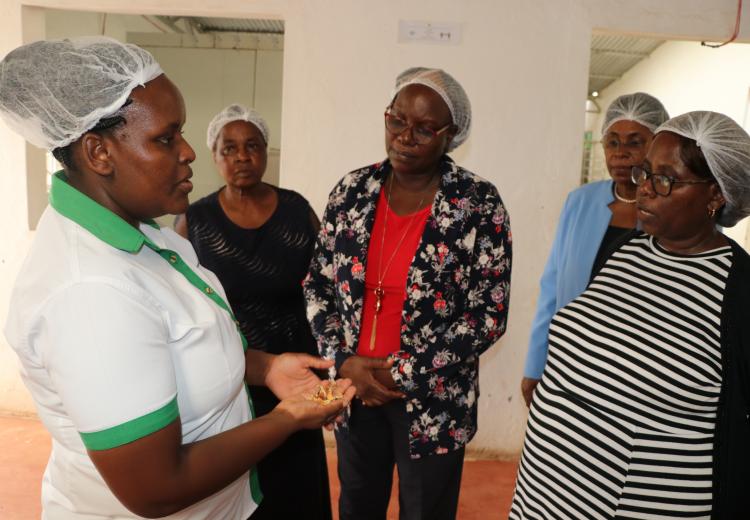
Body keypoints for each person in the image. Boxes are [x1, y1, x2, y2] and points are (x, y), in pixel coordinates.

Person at [0, 36, 354, 520]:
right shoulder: (90, 294)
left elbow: (185, 345)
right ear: (98, 152)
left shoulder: (148, 235)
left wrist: (266, 368)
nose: (188, 152)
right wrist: (289, 417)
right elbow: (156, 488)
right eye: (166, 139)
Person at [510, 111, 750, 518]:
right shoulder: (630, 252)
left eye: (666, 180)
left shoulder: (738, 292)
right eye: (646, 173)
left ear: (715, 195)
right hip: (545, 495)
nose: (645, 190)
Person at [303, 67, 512, 520]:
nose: (404, 136)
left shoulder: (477, 203)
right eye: (396, 119)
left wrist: (406, 370)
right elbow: (318, 283)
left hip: (435, 396)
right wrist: (342, 360)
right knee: (357, 505)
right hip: (355, 388)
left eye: (424, 128)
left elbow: (488, 314)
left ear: (449, 135)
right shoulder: (352, 191)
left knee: (425, 510)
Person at [174, 104, 331, 520]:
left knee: (298, 486)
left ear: (265, 152)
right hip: (233, 374)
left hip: (297, 371)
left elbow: (327, 285)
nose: (242, 157)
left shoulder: (297, 211)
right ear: (214, 155)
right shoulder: (195, 220)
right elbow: (185, 302)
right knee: (243, 485)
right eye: (229, 148)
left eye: (252, 146)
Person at [521, 92, 669, 406]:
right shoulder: (580, 202)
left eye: (634, 143)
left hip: (640, 368)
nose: (620, 153)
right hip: (572, 360)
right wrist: (535, 364)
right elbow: (552, 288)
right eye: (612, 142)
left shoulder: (670, 209)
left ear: (656, 145)